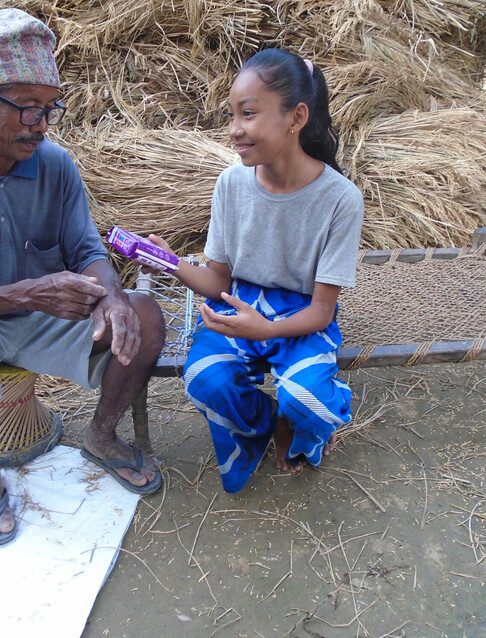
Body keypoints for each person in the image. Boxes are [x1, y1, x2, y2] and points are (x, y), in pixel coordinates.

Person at [0, 8, 165, 546]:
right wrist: (24, 292)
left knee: (145, 314)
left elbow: (87, 247)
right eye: (26, 108)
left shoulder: (56, 165)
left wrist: (110, 296)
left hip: (45, 316)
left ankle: (102, 436)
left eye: (48, 108)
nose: (39, 124)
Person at [148, 49, 363, 493]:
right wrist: (170, 262)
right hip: (239, 303)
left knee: (308, 402)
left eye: (247, 114)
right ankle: (264, 422)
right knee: (206, 377)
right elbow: (218, 283)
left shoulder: (340, 200)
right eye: (231, 115)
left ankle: (297, 417)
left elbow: (322, 312)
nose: (234, 131)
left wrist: (264, 330)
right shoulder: (231, 185)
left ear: (296, 117)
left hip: (300, 317)